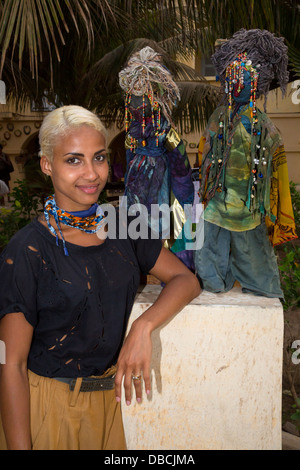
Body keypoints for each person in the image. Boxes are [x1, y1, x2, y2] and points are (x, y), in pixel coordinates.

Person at [0, 105, 200, 450]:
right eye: (74, 160)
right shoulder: (28, 251)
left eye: (99, 157)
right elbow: (12, 365)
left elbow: (185, 280)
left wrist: (143, 327)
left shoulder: (122, 224)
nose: (91, 174)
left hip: (108, 405)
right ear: (48, 164)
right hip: (49, 410)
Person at [194, 29, 297, 298]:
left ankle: (264, 291)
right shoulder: (218, 116)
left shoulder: (264, 125)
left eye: (245, 79)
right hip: (216, 203)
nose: (238, 85)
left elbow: (276, 163)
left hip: (248, 207)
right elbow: (205, 153)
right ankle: (212, 288)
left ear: (257, 83)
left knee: (254, 259)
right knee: (207, 260)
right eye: (233, 78)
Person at [119, 47, 195, 270]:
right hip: (136, 195)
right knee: (135, 231)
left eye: (142, 99)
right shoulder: (132, 134)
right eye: (132, 100)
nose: (136, 105)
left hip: (163, 195)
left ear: (156, 100)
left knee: (165, 235)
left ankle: (172, 272)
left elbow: (182, 171)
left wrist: (184, 200)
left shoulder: (166, 133)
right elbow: (128, 164)